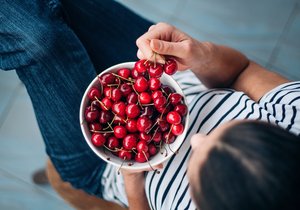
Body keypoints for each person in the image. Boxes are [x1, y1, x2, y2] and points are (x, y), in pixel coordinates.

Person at [1, 1, 299, 210]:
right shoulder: (295, 114)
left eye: (199, 164)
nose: (194, 137)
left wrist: (131, 175)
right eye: (231, 130)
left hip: (104, 166)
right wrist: (200, 54)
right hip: (161, 79)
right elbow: (242, 71)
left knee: (39, 39)